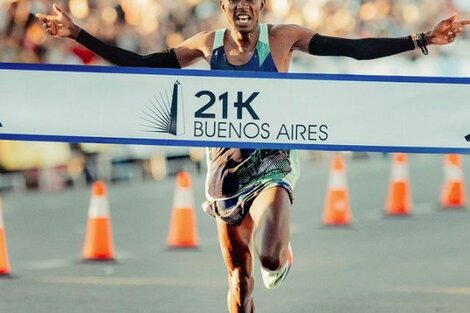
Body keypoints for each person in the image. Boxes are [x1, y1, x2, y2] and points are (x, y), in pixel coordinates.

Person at [37, 2, 469, 312]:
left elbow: (352, 48)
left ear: (260, 6)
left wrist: (421, 38)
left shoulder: (283, 38)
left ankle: (279, 250)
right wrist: (78, 35)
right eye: (234, 0)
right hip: (224, 172)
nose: (243, 6)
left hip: (273, 163)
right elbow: (143, 61)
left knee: (266, 256)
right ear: (224, 7)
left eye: (250, 0)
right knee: (239, 284)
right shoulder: (207, 45)